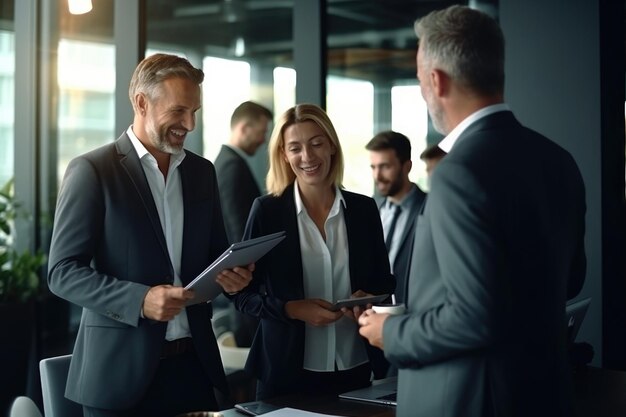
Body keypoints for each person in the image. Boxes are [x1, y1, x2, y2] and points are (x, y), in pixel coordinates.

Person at [359, 6, 586, 417]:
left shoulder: (457, 172)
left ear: (437, 80)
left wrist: (390, 331)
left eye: (418, 76)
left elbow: (473, 319)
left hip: (468, 399)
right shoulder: (559, 160)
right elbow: (570, 281)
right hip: (545, 394)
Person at [47, 53, 254, 417]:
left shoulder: (202, 172)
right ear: (142, 103)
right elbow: (62, 272)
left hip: (194, 369)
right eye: (178, 111)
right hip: (117, 378)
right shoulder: (92, 171)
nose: (189, 123)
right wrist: (140, 300)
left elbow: (216, 256)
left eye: (195, 111)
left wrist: (232, 277)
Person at [232, 103, 395, 400]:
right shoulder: (267, 211)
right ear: (284, 154)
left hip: (355, 368)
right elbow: (242, 295)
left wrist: (367, 296)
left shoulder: (363, 209)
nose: (307, 157)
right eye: (295, 148)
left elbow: (385, 282)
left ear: (331, 146)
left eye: (316, 143)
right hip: (286, 373)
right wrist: (292, 309)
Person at [365, 131, 426, 304]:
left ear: (407, 166)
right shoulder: (371, 210)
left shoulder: (430, 207)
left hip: (415, 312)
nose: (377, 176)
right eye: (373, 167)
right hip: (377, 314)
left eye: (385, 166)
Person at [214, 101, 273, 244]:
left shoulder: (228, 161)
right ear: (245, 129)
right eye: (262, 133)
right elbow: (238, 226)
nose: (264, 140)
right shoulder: (232, 166)